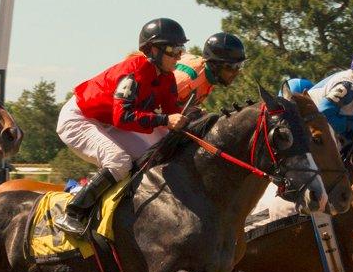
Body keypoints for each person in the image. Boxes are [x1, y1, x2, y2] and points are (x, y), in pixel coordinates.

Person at [53, 17, 188, 236]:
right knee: (119, 161)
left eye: (181, 49)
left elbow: (173, 117)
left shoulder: (167, 77)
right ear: (153, 50)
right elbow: (123, 118)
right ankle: (73, 212)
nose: (179, 56)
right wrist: (165, 120)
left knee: (159, 152)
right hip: (79, 118)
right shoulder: (133, 72)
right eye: (173, 50)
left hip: (108, 121)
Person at [172, 32, 245, 108]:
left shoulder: (211, 76)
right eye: (231, 66)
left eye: (239, 65)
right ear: (215, 65)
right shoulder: (189, 79)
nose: (236, 72)